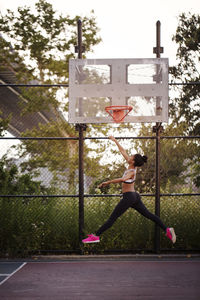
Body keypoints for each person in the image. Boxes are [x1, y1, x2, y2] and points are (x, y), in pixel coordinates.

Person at [82, 136, 176, 244]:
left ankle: (96, 236)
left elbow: (123, 179)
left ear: (133, 160)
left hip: (129, 197)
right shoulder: (130, 164)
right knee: (148, 215)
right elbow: (122, 151)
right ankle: (167, 229)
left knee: (112, 218)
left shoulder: (132, 171)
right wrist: (115, 140)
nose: (129, 156)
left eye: (131, 156)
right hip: (134, 196)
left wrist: (107, 182)